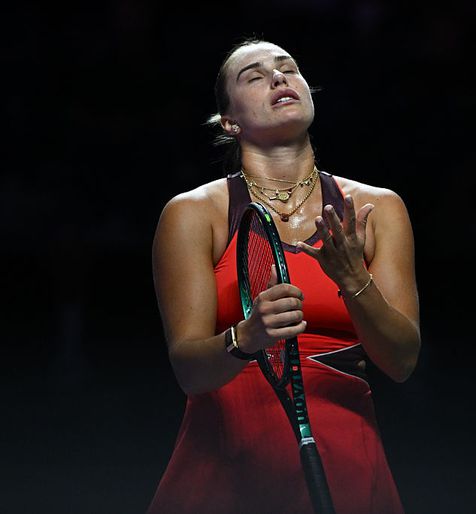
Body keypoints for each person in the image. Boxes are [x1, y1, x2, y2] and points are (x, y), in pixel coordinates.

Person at [147, 38, 420, 514]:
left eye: (288, 69)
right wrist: (246, 336)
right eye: (254, 76)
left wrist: (355, 280)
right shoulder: (194, 213)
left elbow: (401, 361)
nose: (278, 78)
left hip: (346, 462)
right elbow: (188, 370)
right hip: (226, 465)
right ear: (229, 122)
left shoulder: (379, 208)